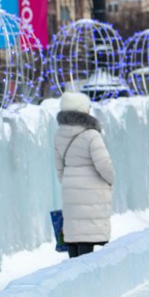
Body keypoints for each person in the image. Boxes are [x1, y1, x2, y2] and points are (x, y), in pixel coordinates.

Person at [54, 92, 115, 259]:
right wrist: (110, 180)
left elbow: (59, 168)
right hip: (92, 190)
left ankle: (74, 276)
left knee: (75, 235)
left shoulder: (60, 134)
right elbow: (104, 165)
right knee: (88, 236)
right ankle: (89, 279)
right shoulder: (91, 134)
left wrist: (69, 182)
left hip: (70, 189)